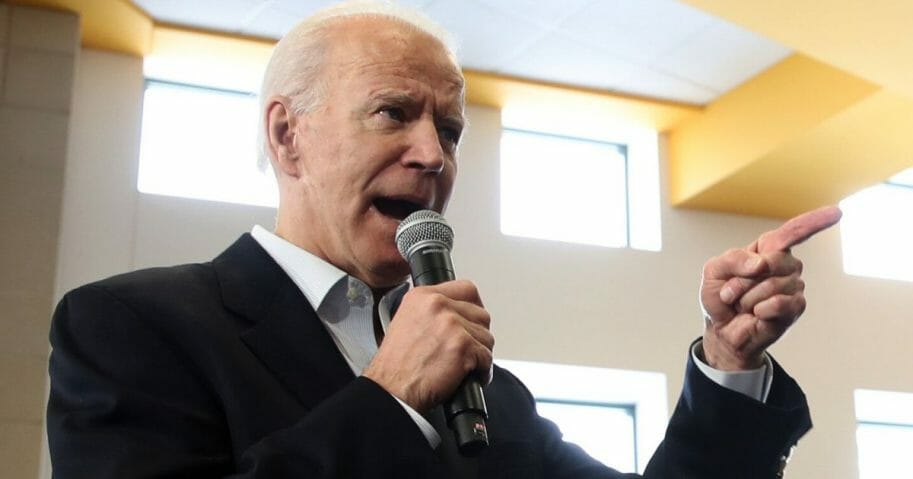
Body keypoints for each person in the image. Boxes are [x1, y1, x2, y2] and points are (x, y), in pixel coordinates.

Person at [46, 2, 842, 478]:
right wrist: (388, 401)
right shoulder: (130, 327)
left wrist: (730, 363)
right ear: (288, 136)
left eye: (450, 129)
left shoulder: (487, 396)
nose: (433, 155)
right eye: (393, 112)